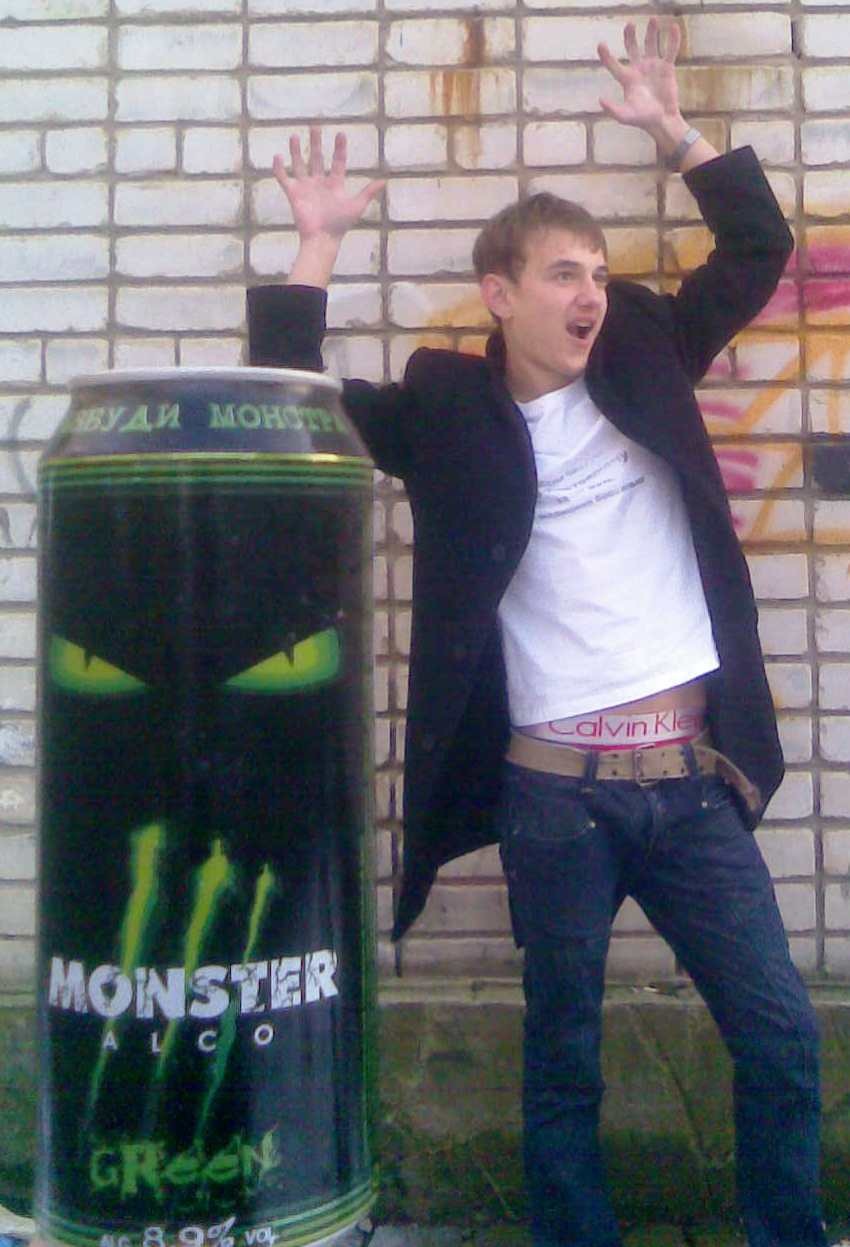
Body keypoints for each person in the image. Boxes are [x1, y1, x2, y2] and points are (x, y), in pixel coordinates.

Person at [247, 20, 826, 1247]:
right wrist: (317, 241)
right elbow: (293, 400)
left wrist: (673, 130)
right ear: (500, 294)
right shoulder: (445, 411)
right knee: (562, 1055)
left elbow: (758, 247)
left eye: (597, 272)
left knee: (778, 1027)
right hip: (554, 798)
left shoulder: (648, 350)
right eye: (563, 273)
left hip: (689, 784)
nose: (589, 294)